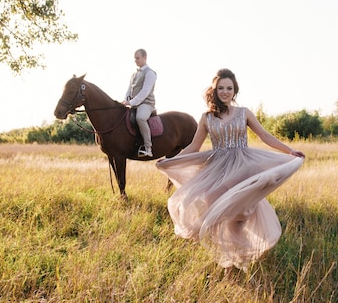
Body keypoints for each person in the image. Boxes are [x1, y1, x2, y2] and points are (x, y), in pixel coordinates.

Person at [156, 68, 305, 271]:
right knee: (220, 208)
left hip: (243, 165)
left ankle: (236, 256)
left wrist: (289, 150)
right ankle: (231, 259)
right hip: (218, 167)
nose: (225, 91)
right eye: (221, 88)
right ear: (215, 90)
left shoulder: (244, 113)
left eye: (229, 88)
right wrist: (171, 160)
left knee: (230, 207)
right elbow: (193, 147)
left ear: (234, 91)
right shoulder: (206, 118)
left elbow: (265, 136)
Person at [122, 48, 157, 157]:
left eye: (137, 58)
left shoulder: (150, 73)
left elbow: (145, 91)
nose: (135, 60)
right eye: (134, 58)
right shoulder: (134, 74)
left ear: (144, 58)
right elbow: (129, 90)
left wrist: (131, 102)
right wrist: (125, 101)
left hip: (146, 104)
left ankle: (148, 148)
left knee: (140, 118)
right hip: (134, 103)